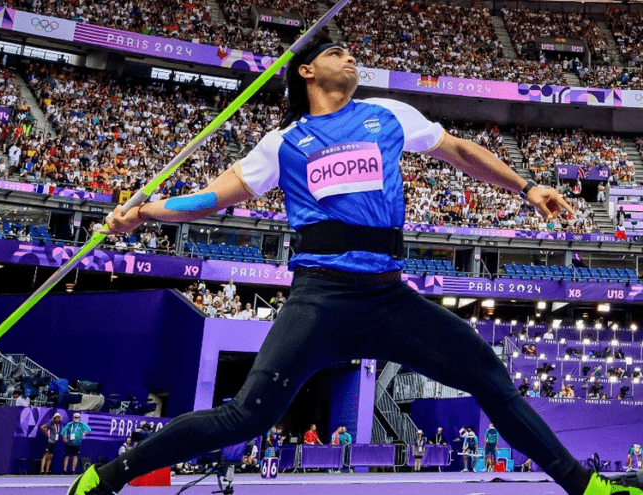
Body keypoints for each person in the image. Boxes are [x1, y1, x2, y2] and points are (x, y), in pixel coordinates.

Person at [72, 35, 637, 495]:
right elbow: (214, 196)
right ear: (306, 71)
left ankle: (586, 488)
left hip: (389, 298)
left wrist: (527, 186)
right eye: (335, 51)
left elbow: (460, 151)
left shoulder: (386, 114)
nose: (350, 56)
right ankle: (107, 476)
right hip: (320, 299)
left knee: (488, 376)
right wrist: (143, 212)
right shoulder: (283, 143)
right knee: (247, 417)